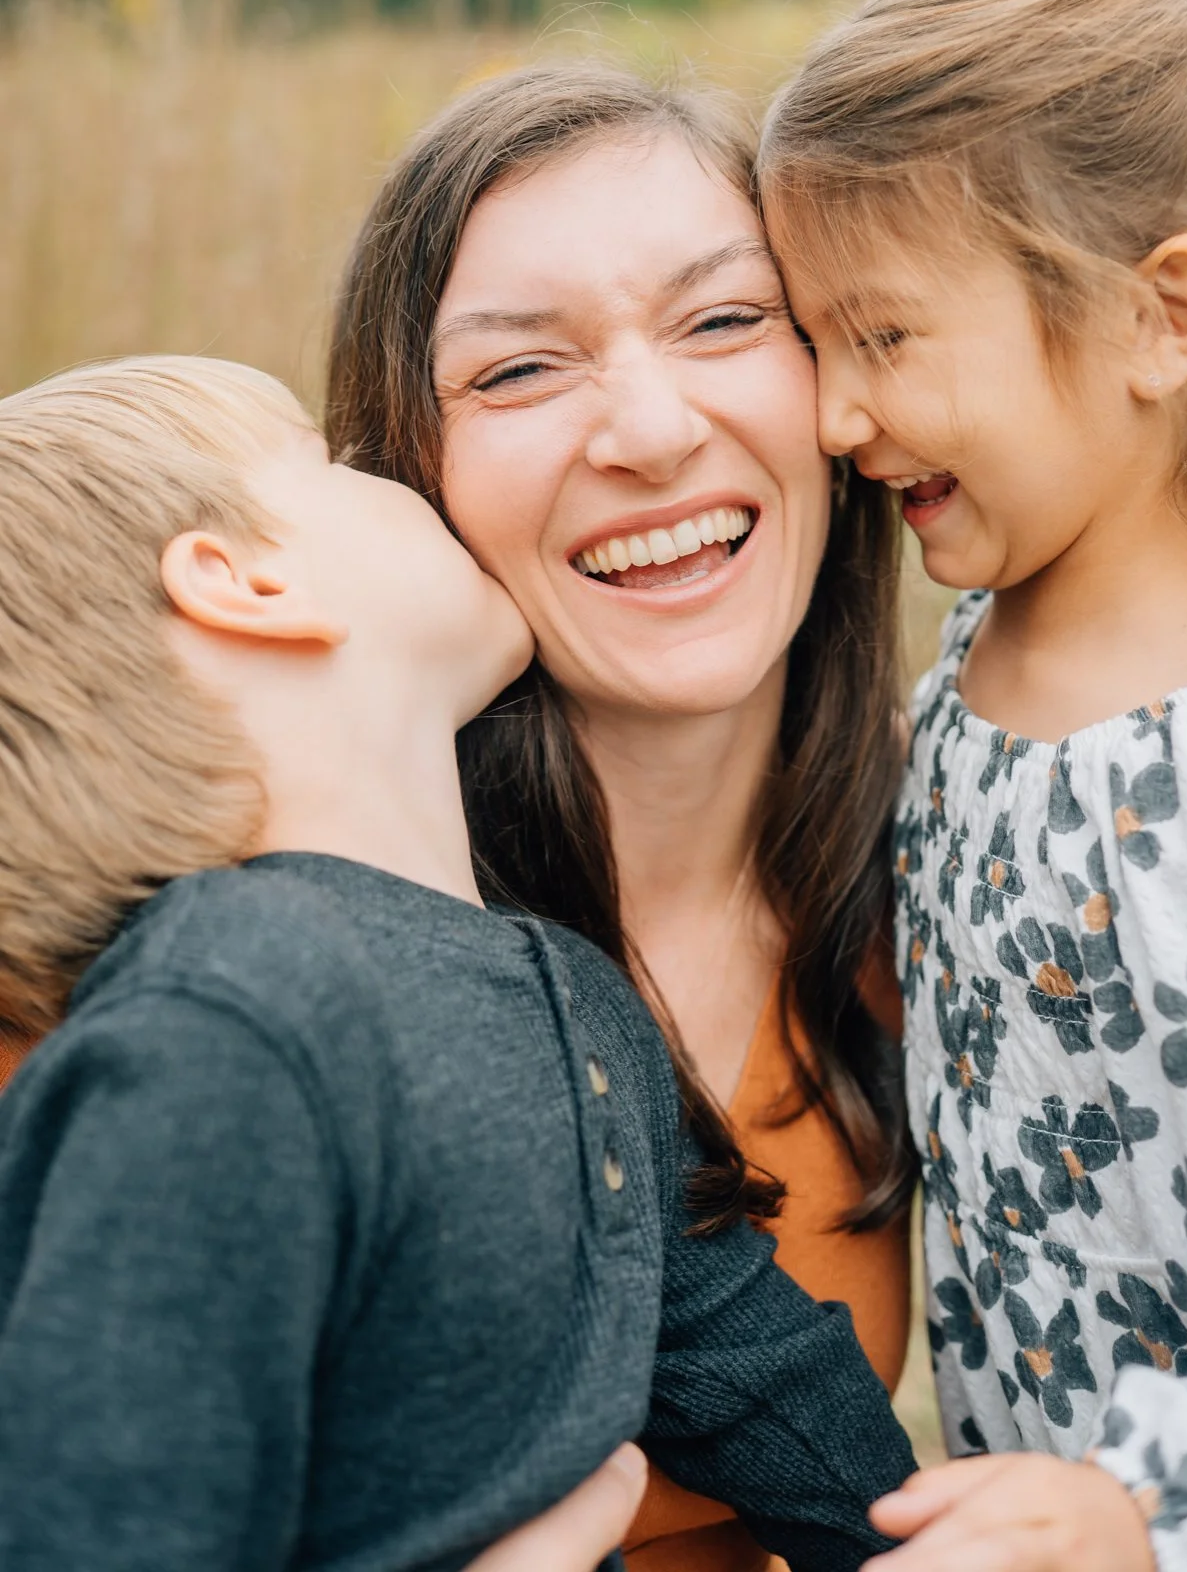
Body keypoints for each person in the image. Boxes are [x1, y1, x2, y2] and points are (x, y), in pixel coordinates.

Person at [0, 355, 921, 1569]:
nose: (402, 488)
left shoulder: (568, 993)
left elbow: (745, 1361)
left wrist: (921, 1531)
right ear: (245, 583)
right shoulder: (227, 1017)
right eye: (331, 469)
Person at [757, 0, 1187, 1572]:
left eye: (884, 334)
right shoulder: (982, 651)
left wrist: (1146, 1514)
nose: (830, 413)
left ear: (1165, 316)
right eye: (816, 338)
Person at [327, 66, 917, 1571]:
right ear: (404, 471)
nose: (650, 432)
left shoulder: (955, 876)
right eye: (519, 372)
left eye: (724, 321)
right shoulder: (254, 965)